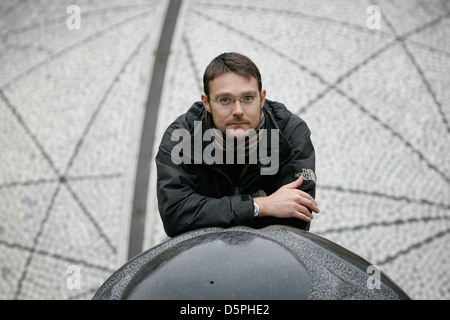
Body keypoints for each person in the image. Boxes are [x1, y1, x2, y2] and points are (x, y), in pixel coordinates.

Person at [156, 52, 320, 237]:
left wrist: (208, 212)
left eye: (248, 98)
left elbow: (295, 219)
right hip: (200, 257)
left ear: (262, 98)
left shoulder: (291, 133)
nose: (238, 111)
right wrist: (259, 206)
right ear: (207, 103)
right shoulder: (181, 138)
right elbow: (176, 216)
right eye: (225, 100)